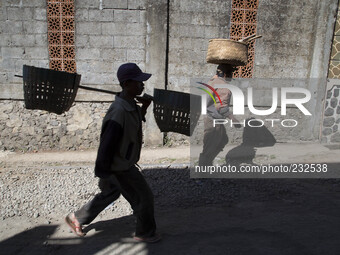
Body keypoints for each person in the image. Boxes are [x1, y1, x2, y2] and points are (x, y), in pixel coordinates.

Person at [65, 63, 161, 243]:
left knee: (111, 193)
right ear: (126, 84)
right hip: (120, 166)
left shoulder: (129, 104)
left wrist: (145, 107)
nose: (142, 85)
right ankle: (145, 233)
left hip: (121, 162)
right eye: (138, 82)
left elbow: (132, 124)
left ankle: (76, 219)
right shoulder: (118, 111)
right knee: (143, 196)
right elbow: (107, 144)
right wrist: (102, 172)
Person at [198, 64, 241, 166]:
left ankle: (206, 165)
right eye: (231, 73)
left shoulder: (212, 81)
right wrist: (233, 119)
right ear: (226, 74)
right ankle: (203, 171)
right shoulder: (223, 85)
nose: (232, 76)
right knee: (211, 145)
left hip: (210, 117)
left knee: (220, 140)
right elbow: (222, 107)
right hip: (213, 120)